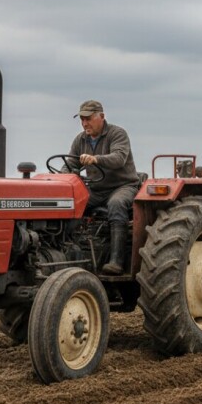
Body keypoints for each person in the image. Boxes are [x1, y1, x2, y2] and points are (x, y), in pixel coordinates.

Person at [67, 100, 140, 274]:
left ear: (101, 116)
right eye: (82, 119)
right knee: (71, 203)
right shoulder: (80, 139)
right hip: (96, 189)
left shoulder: (117, 134)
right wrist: (63, 176)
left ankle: (116, 262)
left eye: (88, 119)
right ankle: (70, 252)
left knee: (116, 203)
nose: (85, 123)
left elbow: (119, 158)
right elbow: (71, 164)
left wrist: (96, 159)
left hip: (123, 186)